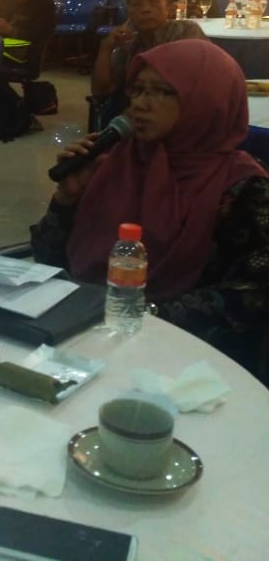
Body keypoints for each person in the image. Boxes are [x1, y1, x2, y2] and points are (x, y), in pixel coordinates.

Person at [31, 39, 269, 380]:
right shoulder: (114, 164)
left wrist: (148, 315)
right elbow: (48, 259)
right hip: (83, 331)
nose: (140, 104)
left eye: (161, 92)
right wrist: (66, 200)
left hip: (190, 359)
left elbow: (254, 292)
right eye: (139, 90)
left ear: (206, 100)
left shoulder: (243, 188)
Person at [91, 0, 206, 123]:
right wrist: (105, 48)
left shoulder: (186, 32)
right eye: (137, 4)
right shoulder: (129, 43)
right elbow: (101, 92)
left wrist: (128, 118)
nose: (146, 9)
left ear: (166, 6)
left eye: (153, 2)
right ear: (129, 12)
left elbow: (187, 90)